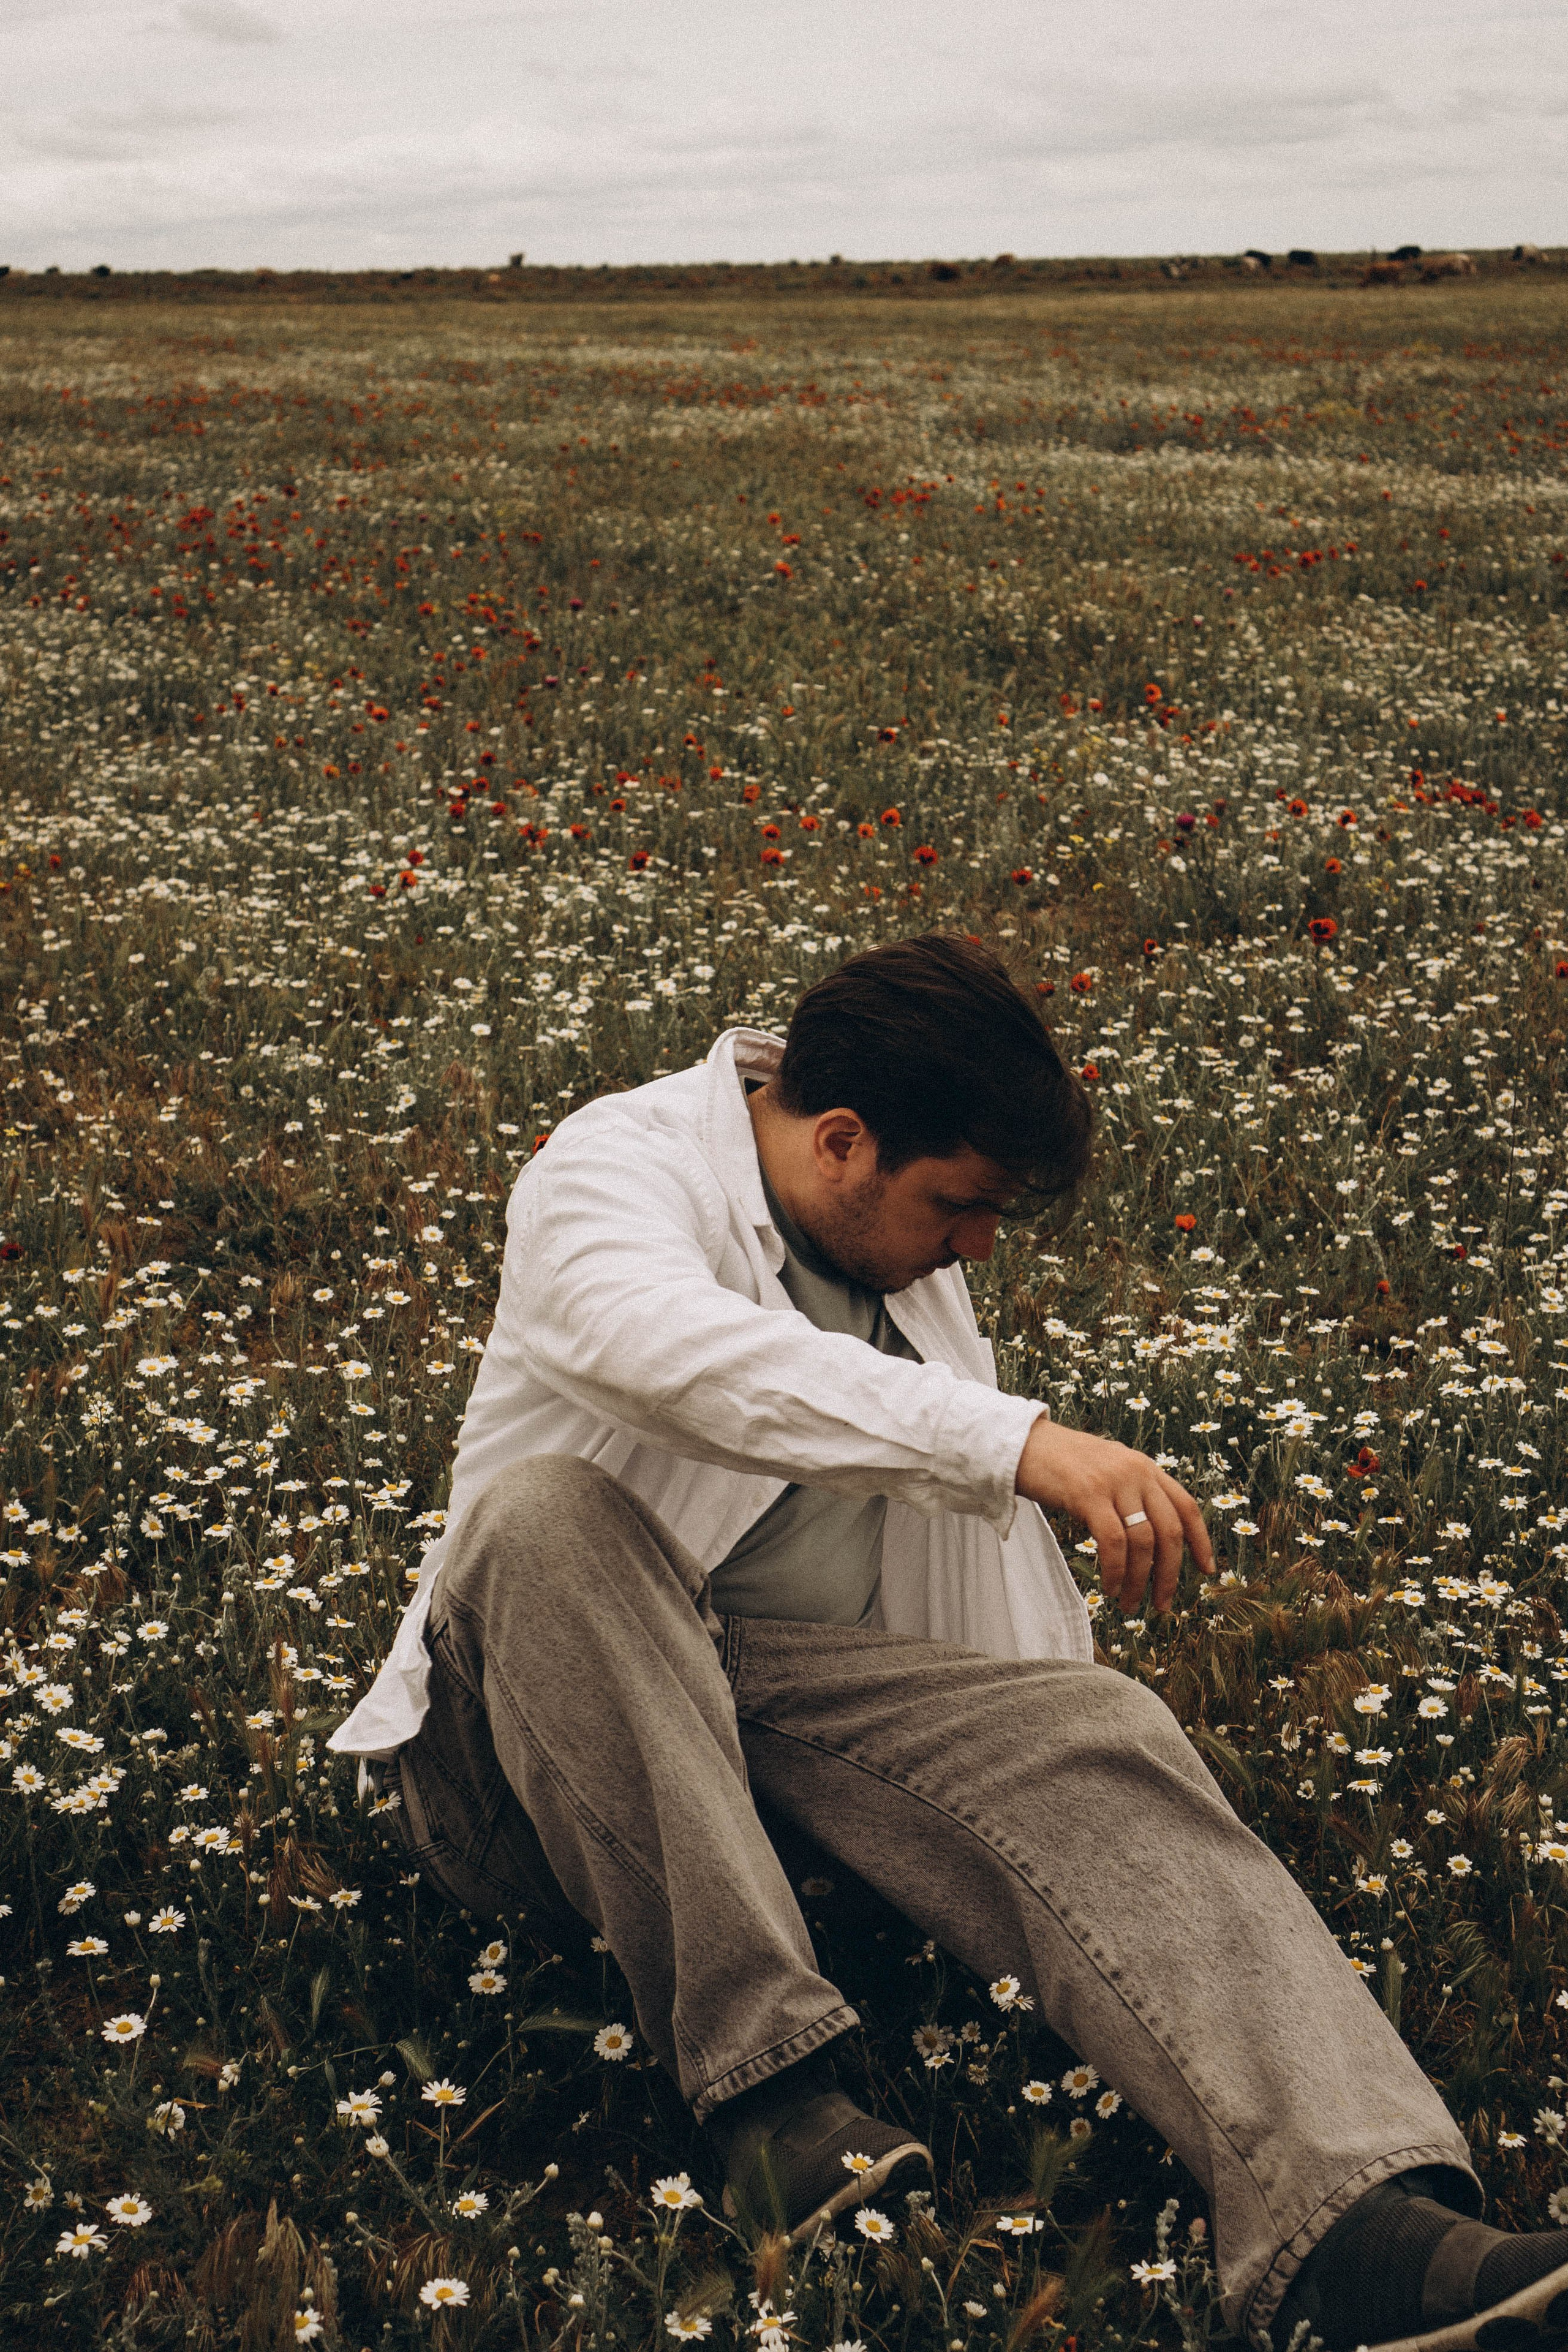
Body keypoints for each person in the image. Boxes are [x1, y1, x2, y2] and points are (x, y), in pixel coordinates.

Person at [330, 935, 1568, 2352]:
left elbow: (956, 1590)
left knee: (1092, 1732)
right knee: (548, 1517)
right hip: (529, 1766)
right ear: (842, 1141)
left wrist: (1044, 1792)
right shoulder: (611, 1172)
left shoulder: (885, 1236)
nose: (977, 1247)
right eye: (961, 1208)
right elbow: (653, 1346)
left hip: (761, 1738)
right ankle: (768, 2100)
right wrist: (1017, 1439)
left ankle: (1358, 2230)